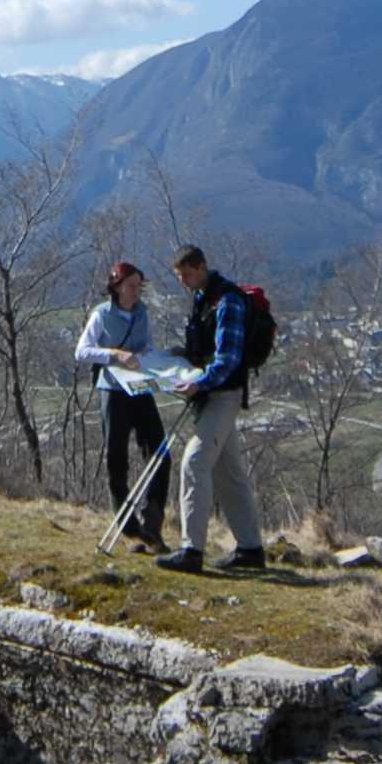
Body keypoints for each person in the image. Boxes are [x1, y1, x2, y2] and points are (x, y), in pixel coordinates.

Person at [158, 243, 265, 574]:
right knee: (228, 473)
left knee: (194, 463)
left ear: (202, 267)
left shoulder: (227, 301)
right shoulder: (206, 298)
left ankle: (192, 550)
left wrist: (200, 383)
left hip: (222, 396)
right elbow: (204, 349)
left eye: (187, 274)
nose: (184, 282)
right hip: (214, 394)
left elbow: (228, 359)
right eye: (180, 276)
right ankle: (250, 549)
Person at [70, 260, 168, 546]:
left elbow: (147, 345)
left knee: (160, 453)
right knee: (117, 458)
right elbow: (82, 351)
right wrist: (115, 354)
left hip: (139, 387)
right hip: (112, 390)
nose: (136, 292)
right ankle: (128, 526)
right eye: (131, 286)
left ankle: (153, 523)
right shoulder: (101, 315)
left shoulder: (143, 314)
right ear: (116, 287)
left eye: (139, 286)